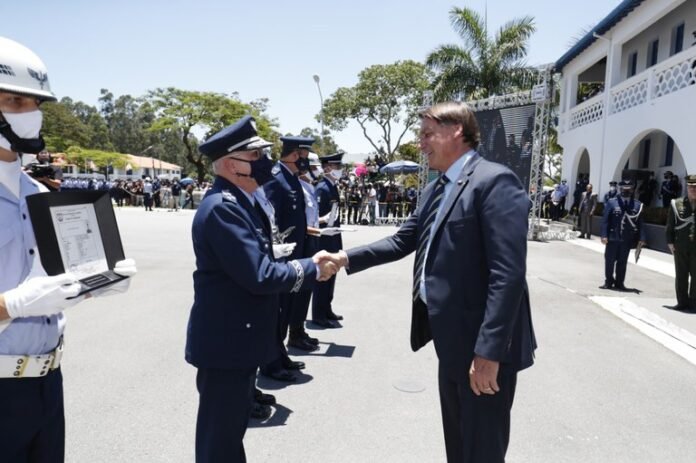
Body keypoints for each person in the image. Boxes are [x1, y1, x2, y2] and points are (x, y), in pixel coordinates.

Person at [318, 101, 536, 463]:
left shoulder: (495, 181)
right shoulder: (438, 188)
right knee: (458, 442)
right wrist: (344, 259)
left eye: (427, 134)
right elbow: (403, 240)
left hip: (483, 345)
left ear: (456, 132)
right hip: (450, 338)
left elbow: (508, 273)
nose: (421, 143)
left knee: (482, 448)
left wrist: (489, 352)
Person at [0, 36, 136, 462]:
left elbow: (54, 275)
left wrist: (92, 280)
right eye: (16, 102)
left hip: (46, 381)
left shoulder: (36, 191)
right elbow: (22, 298)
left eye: (36, 104)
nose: (32, 115)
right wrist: (14, 304)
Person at [185, 116, 335, 462]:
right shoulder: (223, 208)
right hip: (226, 345)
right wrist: (310, 266)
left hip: (238, 340)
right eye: (254, 157)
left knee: (229, 434)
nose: (263, 163)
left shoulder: (240, 202)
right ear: (228, 164)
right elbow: (260, 276)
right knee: (219, 441)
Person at [262, 135, 317, 381]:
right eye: (304, 156)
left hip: (295, 254)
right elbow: (270, 220)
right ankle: (271, 363)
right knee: (277, 312)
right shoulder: (277, 178)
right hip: (281, 258)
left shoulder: (291, 178)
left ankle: (280, 354)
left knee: (285, 311)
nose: (306, 162)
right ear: (295, 155)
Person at [312, 152, 346, 328]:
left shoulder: (332, 186)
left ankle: (327, 309)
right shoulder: (322, 188)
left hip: (333, 237)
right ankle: (318, 314)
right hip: (324, 239)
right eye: (336, 167)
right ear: (326, 168)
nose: (340, 170)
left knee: (332, 275)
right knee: (323, 277)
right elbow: (315, 217)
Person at [600, 180, 647, 290]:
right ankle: (608, 282)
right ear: (620, 189)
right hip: (612, 238)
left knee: (622, 262)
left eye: (628, 189)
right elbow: (605, 220)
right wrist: (603, 235)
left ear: (632, 189)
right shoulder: (612, 202)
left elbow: (641, 223)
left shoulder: (637, 204)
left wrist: (642, 238)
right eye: (624, 189)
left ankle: (619, 283)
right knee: (609, 261)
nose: (626, 191)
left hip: (627, 239)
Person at [665, 174, 696, 311]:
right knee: (681, 275)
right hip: (681, 246)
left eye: (695, 187)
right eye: (691, 187)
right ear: (687, 187)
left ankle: (694, 303)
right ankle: (682, 302)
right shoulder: (676, 203)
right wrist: (670, 242)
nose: (693, 189)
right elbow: (670, 225)